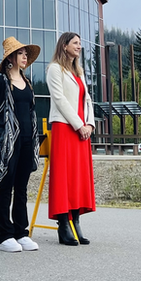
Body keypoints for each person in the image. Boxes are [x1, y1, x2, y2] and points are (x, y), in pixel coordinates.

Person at [0, 37, 41, 253]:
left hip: (29, 139)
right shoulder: (1, 82)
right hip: (9, 142)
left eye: (26, 54)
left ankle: (21, 231)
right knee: (6, 186)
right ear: (11, 57)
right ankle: (4, 235)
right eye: (21, 53)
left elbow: (31, 111)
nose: (25, 57)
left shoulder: (27, 82)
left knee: (21, 188)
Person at [45, 32, 96, 246]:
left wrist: (90, 124)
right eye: (76, 43)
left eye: (80, 43)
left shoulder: (79, 71)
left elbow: (87, 99)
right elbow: (59, 99)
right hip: (65, 128)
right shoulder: (54, 69)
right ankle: (63, 224)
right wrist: (78, 125)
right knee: (64, 176)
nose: (80, 46)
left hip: (82, 131)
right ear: (64, 45)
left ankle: (76, 221)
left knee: (77, 176)